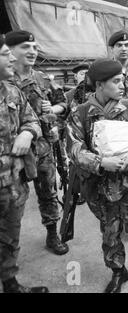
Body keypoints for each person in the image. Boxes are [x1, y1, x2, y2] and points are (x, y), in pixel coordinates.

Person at [66, 58, 128, 293]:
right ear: (100, 85)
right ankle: (118, 272)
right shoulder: (80, 114)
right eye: (116, 81)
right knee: (110, 233)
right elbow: (73, 149)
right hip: (101, 188)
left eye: (122, 80)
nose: (122, 85)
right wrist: (101, 162)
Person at [6, 30, 69, 255]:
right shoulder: (4, 78)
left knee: (48, 193)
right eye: (25, 47)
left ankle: (53, 235)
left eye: (34, 48)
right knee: (12, 202)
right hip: (14, 154)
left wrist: (53, 110)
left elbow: (64, 103)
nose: (32, 51)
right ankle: (9, 248)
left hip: (42, 148)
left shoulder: (42, 78)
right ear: (10, 51)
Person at [0, 34, 48, 293]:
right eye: (5, 53)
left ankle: (10, 283)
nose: (11, 58)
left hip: (13, 185)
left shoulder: (12, 91)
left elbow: (32, 120)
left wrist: (27, 132)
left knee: (10, 236)